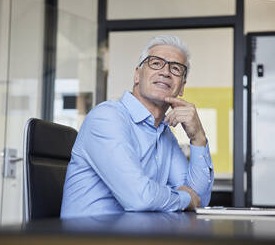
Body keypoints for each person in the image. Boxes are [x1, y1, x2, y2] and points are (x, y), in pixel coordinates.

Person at [60, 35, 214, 218]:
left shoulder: (164, 134)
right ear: (137, 75)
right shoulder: (106, 118)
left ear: (181, 87)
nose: (165, 72)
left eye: (175, 68)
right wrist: (185, 199)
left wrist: (198, 138)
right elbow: (139, 197)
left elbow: (199, 199)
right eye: (156, 63)